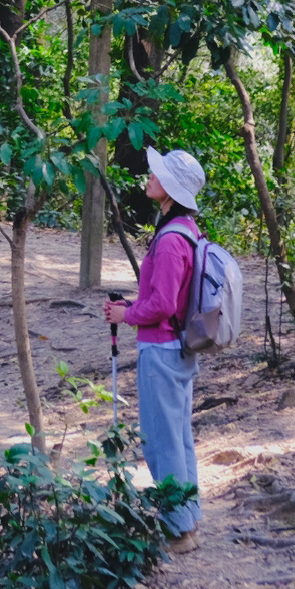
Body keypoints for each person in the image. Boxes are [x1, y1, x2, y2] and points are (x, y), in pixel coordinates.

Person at [103, 147, 206, 551]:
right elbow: (170, 300)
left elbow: (163, 304)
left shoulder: (168, 241)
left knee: (161, 441)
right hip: (178, 348)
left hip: (161, 352)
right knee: (178, 437)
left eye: (158, 174)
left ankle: (178, 531)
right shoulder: (187, 231)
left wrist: (125, 317)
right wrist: (130, 307)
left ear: (171, 190)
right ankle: (188, 519)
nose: (150, 175)